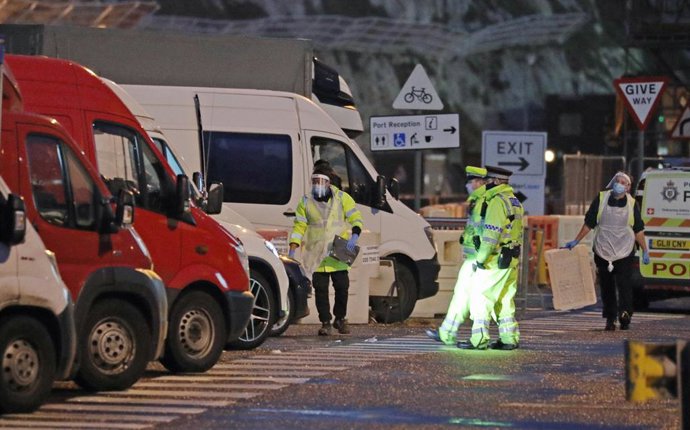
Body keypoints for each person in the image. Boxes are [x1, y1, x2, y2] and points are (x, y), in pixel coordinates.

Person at [564, 171, 650, 331]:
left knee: (624, 284)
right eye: (617, 181)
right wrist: (576, 240)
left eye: (623, 183)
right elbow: (590, 222)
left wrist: (645, 249)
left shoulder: (632, 204)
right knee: (607, 285)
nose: (619, 184)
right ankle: (610, 317)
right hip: (603, 249)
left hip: (624, 250)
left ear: (628, 187)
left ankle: (625, 314)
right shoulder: (602, 198)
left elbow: (638, 229)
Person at [289, 165, 363, 335]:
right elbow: (299, 225)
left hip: (338, 249)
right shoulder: (306, 201)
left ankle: (340, 318)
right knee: (320, 290)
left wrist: (355, 235)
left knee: (342, 287)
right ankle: (326, 322)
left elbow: (356, 217)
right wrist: (294, 245)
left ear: (329, 183)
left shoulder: (342, 198)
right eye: (314, 181)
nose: (317, 185)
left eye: (321, 181)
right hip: (317, 253)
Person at [460, 165, 524, 350]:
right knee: (504, 299)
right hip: (511, 258)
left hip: (494, 259)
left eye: (488, 181)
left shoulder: (496, 202)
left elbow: (490, 236)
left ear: (495, 181)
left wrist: (480, 259)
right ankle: (509, 338)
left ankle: (479, 339)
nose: (485, 184)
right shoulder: (513, 200)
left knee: (481, 297)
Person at [426, 166, 489, 345]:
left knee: (478, 299)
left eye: (471, 181)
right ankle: (447, 331)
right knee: (461, 295)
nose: (468, 185)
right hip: (473, 258)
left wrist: (481, 256)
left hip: (480, 258)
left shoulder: (484, 201)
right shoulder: (477, 200)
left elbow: (486, 231)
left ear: (479, 182)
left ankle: (480, 338)